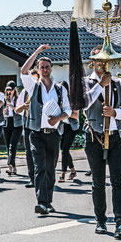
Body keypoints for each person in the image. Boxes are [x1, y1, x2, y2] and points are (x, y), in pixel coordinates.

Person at [83, 45, 121, 238]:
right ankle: (101, 220)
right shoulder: (85, 82)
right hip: (94, 136)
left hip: (116, 136)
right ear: (93, 62)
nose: (101, 65)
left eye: (105, 61)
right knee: (98, 181)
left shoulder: (120, 84)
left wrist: (115, 113)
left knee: (118, 181)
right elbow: (83, 103)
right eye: (98, 61)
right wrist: (100, 86)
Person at [21, 44, 71, 215]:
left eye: (47, 67)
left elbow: (68, 111)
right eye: (41, 67)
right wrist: (37, 52)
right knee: (39, 166)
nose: (44, 69)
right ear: (38, 70)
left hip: (54, 134)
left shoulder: (60, 89)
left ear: (51, 69)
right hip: (36, 133)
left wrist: (58, 118)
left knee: (50, 169)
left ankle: (48, 201)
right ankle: (41, 202)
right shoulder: (33, 86)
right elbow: (23, 70)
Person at [15, 69, 39, 188]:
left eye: (35, 78)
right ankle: (32, 178)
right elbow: (16, 109)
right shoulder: (24, 92)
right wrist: (24, 106)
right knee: (29, 151)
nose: (33, 80)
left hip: (40, 123)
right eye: (31, 78)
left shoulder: (41, 89)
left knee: (40, 152)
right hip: (28, 123)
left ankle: (41, 176)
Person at [56, 80, 79, 183]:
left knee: (65, 149)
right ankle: (73, 170)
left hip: (71, 127)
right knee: (64, 149)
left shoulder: (72, 100)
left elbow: (76, 115)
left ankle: (62, 173)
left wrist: (65, 112)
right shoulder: (58, 99)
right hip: (63, 126)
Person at [3, 81, 22, 176]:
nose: (8, 92)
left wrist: (13, 107)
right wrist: (4, 111)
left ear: (14, 90)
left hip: (17, 123)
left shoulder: (18, 99)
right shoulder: (4, 99)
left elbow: (20, 111)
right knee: (8, 146)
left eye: (10, 90)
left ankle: (9, 164)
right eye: (7, 90)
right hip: (7, 122)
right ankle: (13, 168)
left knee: (12, 145)